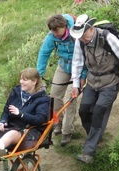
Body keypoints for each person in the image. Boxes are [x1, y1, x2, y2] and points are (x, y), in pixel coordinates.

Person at [70, 15, 119, 164]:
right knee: (83, 110)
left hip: (110, 82)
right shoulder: (80, 41)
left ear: (91, 29)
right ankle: (95, 136)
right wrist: (76, 84)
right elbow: (77, 62)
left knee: (98, 112)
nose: (81, 39)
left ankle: (88, 152)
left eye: (83, 35)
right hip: (91, 81)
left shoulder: (108, 38)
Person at [36, 14, 85, 147]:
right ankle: (58, 122)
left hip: (79, 66)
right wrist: (38, 75)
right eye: (52, 31)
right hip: (63, 65)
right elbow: (44, 53)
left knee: (71, 98)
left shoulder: (77, 32)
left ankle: (67, 130)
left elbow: (86, 53)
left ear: (65, 26)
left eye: (57, 31)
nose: (55, 34)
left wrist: (83, 76)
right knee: (54, 95)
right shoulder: (52, 35)